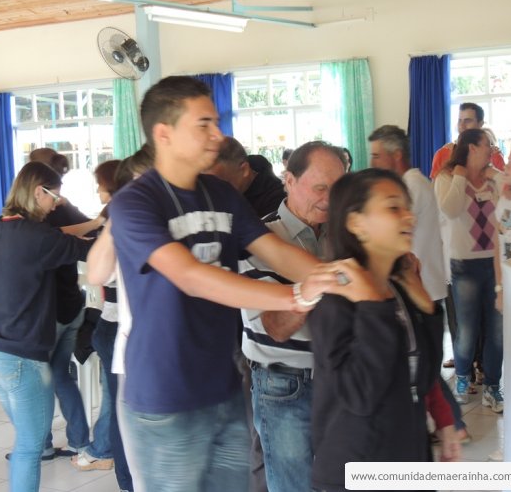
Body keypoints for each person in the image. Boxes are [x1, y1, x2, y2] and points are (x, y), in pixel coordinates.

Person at [108, 76, 357, 492]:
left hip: (224, 387)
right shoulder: (135, 201)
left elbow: (276, 251)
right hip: (165, 396)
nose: (218, 135)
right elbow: (191, 276)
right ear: (164, 134)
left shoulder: (220, 194)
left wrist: (337, 278)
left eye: (217, 122)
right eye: (203, 124)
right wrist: (297, 295)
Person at [309, 169, 444, 492]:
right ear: (356, 223)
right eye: (393, 207)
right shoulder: (337, 299)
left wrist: (427, 309)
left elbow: (423, 377)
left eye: (407, 207)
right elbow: (360, 394)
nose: (409, 216)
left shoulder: (398, 288)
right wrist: (372, 307)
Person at [0, 161, 92, 492]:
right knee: (29, 450)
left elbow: (60, 237)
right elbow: (88, 250)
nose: (56, 205)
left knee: (27, 443)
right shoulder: (38, 236)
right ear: (37, 192)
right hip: (22, 360)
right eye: (53, 197)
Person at [241, 141, 346, 492]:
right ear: (289, 180)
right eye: (320, 188)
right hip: (285, 384)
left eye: (338, 189)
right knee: (293, 485)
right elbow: (275, 327)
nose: (329, 200)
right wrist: (312, 287)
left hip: (342, 378)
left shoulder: (345, 235)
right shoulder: (261, 239)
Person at [368, 124, 471, 444]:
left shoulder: (409, 186)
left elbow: (387, 234)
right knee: (422, 362)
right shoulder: (413, 183)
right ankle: (449, 423)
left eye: (377, 156)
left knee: (422, 363)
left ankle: (453, 423)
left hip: (417, 285)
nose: (372, 163)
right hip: (421, 284)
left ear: (396, 155)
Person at [28, 147, 104, 459]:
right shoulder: (64, 206)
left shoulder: (31, 217)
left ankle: (42, 444)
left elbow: (46, 239)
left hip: (49, 310)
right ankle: (79, 440)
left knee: (41, 378)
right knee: (60, 374)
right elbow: (94, 230)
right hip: (72, 303)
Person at [71, 159, 134, 492]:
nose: (98, 192)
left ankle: (107, 455)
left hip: (119, 323)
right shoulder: (116, 222)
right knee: (121, 409)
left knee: (121, 407)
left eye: (100, 186)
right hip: (115, 324)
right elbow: (101, 275)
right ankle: (123, 477)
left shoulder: (121, 220)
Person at [434, 129, 504, 413]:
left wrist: (495, 176)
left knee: (496, 330)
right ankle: (462, 380)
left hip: (495, 262)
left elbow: (510, 204)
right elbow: (450, 210)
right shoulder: (447, 177)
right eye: (488, 145)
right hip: (464, 264)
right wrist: (461, 177)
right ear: (472, 148)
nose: (492, 150)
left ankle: (493, 387)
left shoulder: (493, 177)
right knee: (467, 329)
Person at [206, 136, 286, 218]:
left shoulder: (276, 200)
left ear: (245, 169)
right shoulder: (207, 196)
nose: (215, 192)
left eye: (222, 185)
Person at [430, 103, 505, 179]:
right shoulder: (443, 153)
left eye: (468, 121)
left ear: (480, 124)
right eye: (459, 120)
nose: (462, 126)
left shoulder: (494, 156)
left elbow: (504, 185)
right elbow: (434, 185)